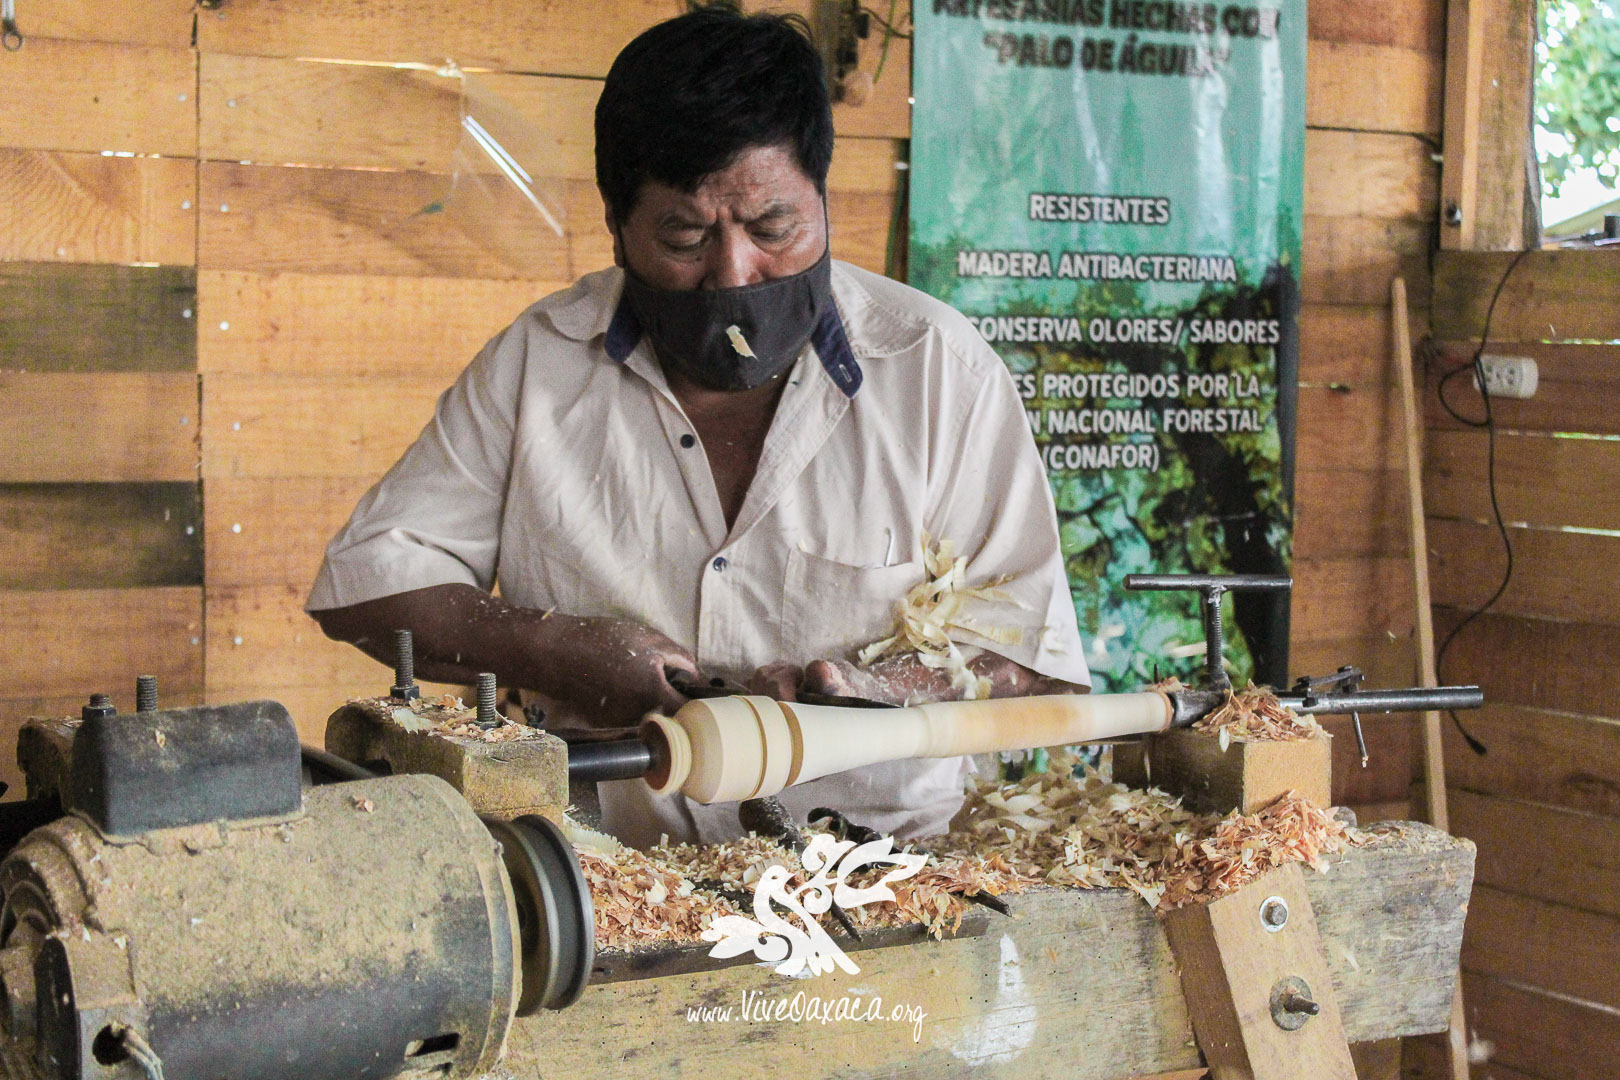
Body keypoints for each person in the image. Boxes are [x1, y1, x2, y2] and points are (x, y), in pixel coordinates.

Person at [307, 8, 1089, 849]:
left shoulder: (936, 369)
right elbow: (369, 583)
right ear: (617, 224)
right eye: (684, 235)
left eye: (774, 227)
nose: (733, 272)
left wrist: (885, 692)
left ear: (822, 198)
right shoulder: (540, 365)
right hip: (606, 876)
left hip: (882, 874)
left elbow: (1033, 658)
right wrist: (556, 648)